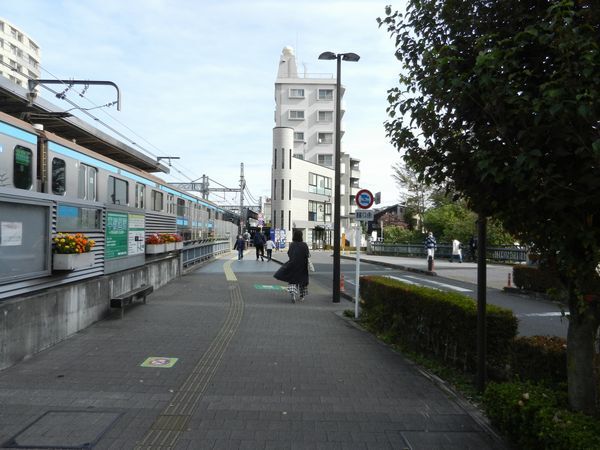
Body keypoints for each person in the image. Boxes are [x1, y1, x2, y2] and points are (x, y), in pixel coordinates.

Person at [273, 230, 310, 303]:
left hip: (293, 264)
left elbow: (289, 253)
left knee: (293, 279)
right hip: (302, 265)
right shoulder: (304, 245)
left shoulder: (292, 244)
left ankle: (293, 293)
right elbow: (307, 254)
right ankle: (302, 296)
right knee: (302, 281)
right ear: (301, 236)